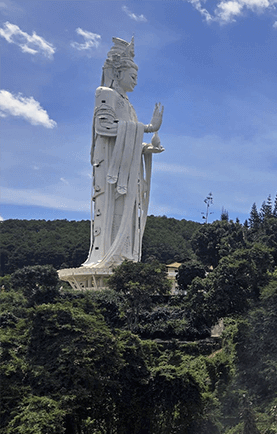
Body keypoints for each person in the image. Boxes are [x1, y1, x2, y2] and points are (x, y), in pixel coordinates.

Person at [83, 36, 164, 268]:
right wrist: (148, 128)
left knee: (127, 215)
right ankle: (106, 257)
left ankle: (123, 258)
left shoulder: (129, 105)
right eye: (133, 76)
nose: (136, 82)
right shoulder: (105, 94)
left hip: (127, 170)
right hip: (110, 165)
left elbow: (131, 138)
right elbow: (103, 126)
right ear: (118, 73)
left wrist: (149, 147)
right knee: (110, 209)